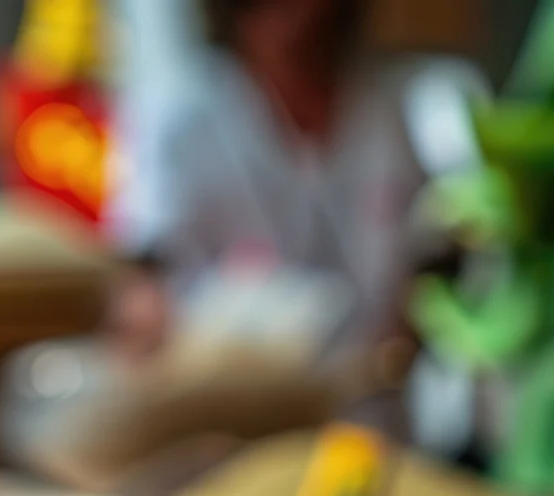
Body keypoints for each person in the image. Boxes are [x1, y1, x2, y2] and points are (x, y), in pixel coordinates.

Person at [105, 0, 431, 364]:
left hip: (370, 402)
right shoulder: (182, 115)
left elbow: (425, 268)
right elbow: (141, 281)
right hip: (228, 401)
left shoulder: (385, 112)